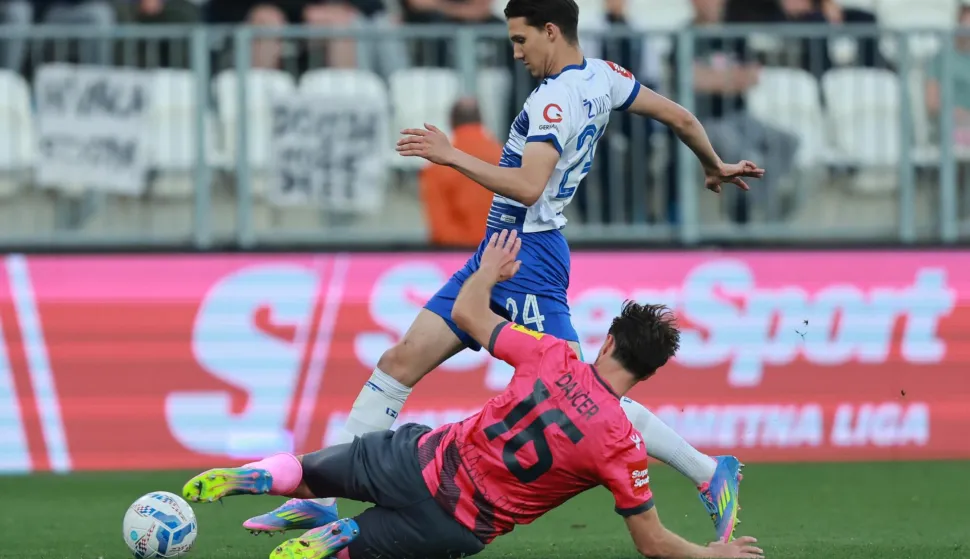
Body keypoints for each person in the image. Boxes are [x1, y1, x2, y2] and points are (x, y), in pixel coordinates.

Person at [244, 0, 765, 542]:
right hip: (499, 249)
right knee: (400, 360)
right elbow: (681, 117)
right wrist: (713, 164)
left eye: (521, 40)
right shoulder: (605, 75)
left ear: (550, 31)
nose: (516, 52)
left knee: (580, 396)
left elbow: (527, 186)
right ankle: (321, 501)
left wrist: (450, 156)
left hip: (529, 257)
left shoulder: (555, 101)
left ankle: (707, 470)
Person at [182, 230, 764, 559]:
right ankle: (341, 538)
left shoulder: (551, 355)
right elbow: (653, 543)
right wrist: (711, 555)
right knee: (363, 549)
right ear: (649, 374)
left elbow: (466, 313)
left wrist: (488, 272)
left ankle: (259, 475)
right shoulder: (622, 447)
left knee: (307, 471)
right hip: (455, 525)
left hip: (414, 460)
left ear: (607, 340)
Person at [419, 97, 501, 248]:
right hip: (503, 251)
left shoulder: (436, 167)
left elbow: (440, 228)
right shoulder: (506, 158)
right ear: (481, 120)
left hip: (458, 254)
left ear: (451, 121)